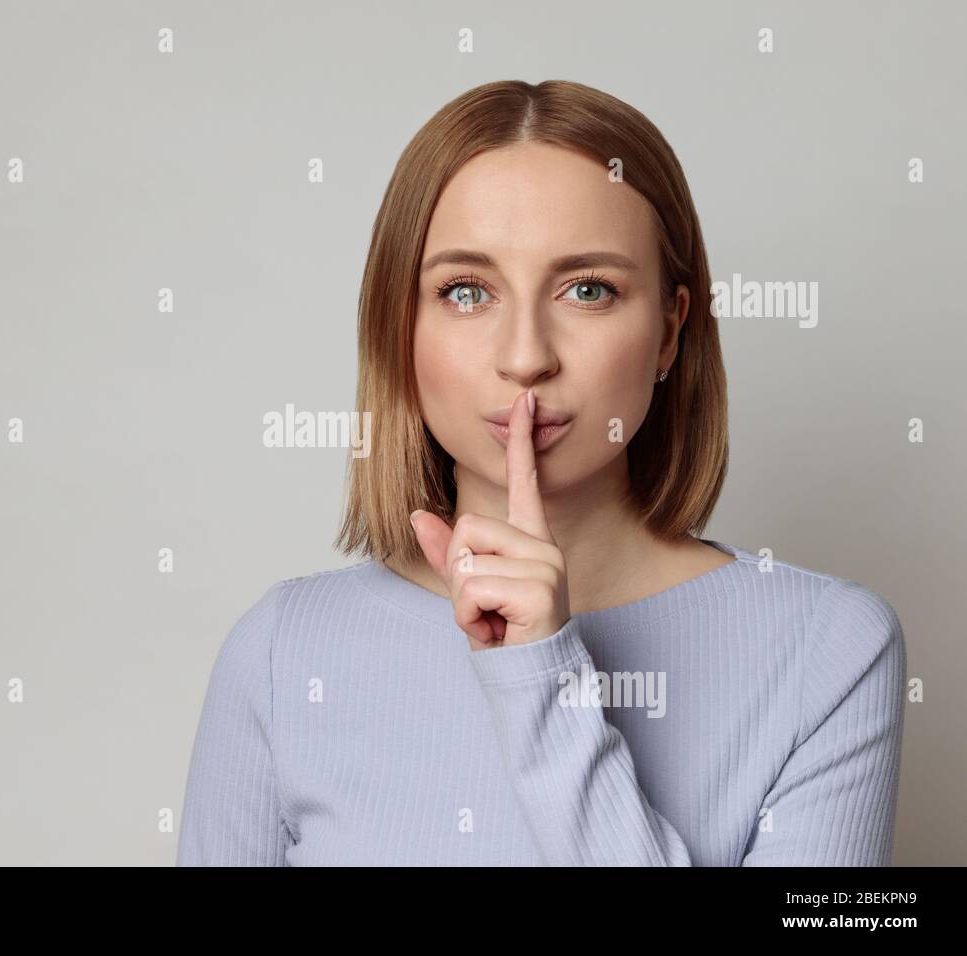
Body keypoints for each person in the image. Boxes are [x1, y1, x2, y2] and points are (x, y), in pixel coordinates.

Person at [176, 79, 906, 866]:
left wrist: (542, 675)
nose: (526, 356)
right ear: (400, 328)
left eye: (588, 289)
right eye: (465, 291)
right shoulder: (286, 654)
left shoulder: (829, 649)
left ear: (669, 332)